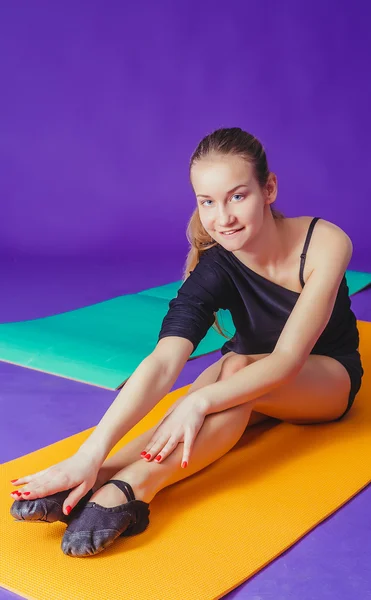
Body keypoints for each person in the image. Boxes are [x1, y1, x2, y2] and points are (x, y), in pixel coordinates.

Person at [10, 127, 364, 557]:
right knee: (182, 418)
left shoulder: (326, 242)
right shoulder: (215, 267)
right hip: (251, 369)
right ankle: (96, 476)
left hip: (328, 377)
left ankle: (137, 486)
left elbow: (289, 359)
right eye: (207, 202)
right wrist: (89, 453)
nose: (223, 217)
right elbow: (162, 363)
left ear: (268, 189)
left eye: (238, 196)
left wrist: (202, 400)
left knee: (217, 385)